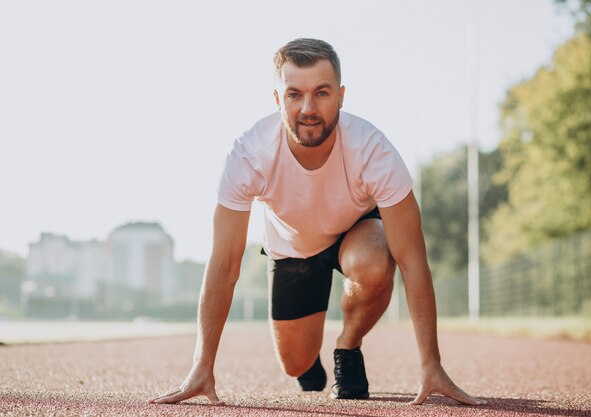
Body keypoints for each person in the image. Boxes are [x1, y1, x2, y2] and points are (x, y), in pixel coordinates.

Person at [150, 38, 482, 406]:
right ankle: (310, 361)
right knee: (296, 364)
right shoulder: (249, 156)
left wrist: (431, 363)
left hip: (354, 231)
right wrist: (202, 365)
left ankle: (348, 345)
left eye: (321, 93)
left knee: (376, 260)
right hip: (292, 248)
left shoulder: (374, 151)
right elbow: (225, 264)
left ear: (341, 96)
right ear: (278, 100)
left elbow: (413, 259)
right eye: (294, 95)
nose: (308, 108)